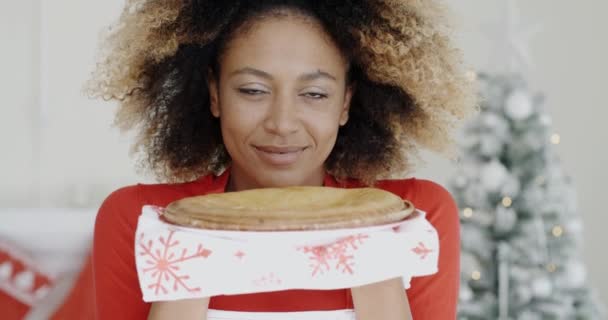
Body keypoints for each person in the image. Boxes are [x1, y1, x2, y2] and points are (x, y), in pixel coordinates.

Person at [88, 0, 477, 319]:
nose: (282, 123)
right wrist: (189, 235)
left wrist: (372, 235)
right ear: (215, 94)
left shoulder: (415, 217)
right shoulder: (141, 218)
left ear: (345, 103)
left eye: (315, 94)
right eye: (253, 90)